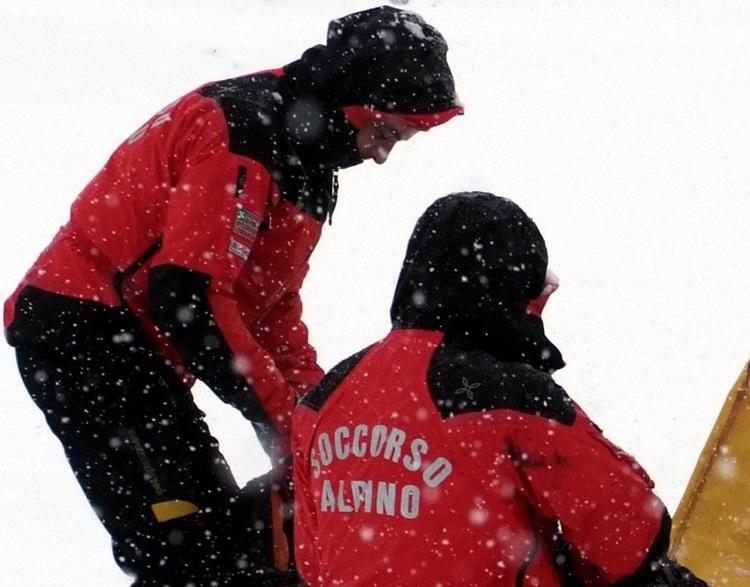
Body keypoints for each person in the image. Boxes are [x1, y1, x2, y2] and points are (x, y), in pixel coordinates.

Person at [4, 6, 462, 586]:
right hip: (80, 330)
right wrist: (280, 418)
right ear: (353, 101)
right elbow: (189, 298)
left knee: (224, 538)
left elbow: (271, 309)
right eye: (387, 131)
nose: (381, 154)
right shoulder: (243, 131)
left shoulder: (310, 159)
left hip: (135, 346)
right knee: (182, 548)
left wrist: (315, 417)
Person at [292, 192, 707, 586]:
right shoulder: (514, 396)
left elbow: (312, 566)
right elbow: (631, 539)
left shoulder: (324, 398)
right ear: (510, 288)